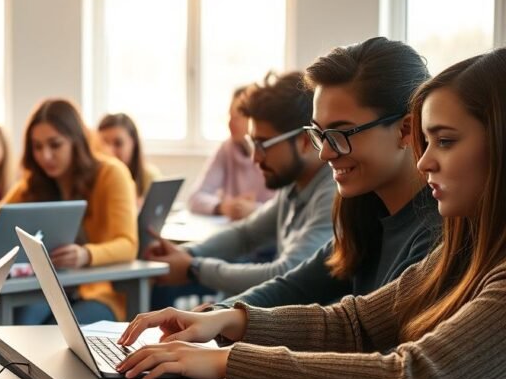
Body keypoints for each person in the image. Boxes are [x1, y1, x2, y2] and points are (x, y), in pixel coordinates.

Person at [116, 47, 506, 379]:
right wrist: (228, 318)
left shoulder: (462, 245)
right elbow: (354, 322)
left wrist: (230, 358)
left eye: (444, 141)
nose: (424, 158)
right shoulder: (469, 246)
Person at [211, 38, 441, 311]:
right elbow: (294, 286)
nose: (325, 153)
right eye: (320, 134)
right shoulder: (364, 211)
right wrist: (218, 314)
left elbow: (362, 338)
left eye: (340, 134)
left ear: (405, 130)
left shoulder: (435, 235)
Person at [145, 72, 335, 305]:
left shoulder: (333, 193)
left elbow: (287, 273)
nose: (255, 157)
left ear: (305, 141)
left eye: (262, 144)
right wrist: (188, 254)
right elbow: (245, 234)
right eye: (251, 144)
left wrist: (194, 268)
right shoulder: (295, 185)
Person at [0, 99, 137, 322]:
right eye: (37, 146)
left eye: (55, 145)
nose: (45, 156)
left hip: (98, 293)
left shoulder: (111, 174)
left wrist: (86, 255)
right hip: (46, 289)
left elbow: (128, 244)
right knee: (20, 326)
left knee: (57, 331)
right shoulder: (33, 183)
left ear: (76, 141)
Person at [187, 85, 274, 220]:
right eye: (229, 115)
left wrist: (254, 210)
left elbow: (286, 208)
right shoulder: (226, 148)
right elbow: (195, 197)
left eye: (238, 116)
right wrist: (225, 207)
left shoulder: (274, 151)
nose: (230, 122)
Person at [97, 113, 161, 201]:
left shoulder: (149, 176)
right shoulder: (90, 180)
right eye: (104, 143)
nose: (109, 151)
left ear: (133, 143)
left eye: (118, 143)